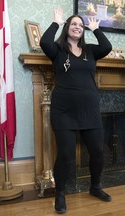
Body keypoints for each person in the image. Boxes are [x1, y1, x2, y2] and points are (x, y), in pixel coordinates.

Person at [40, 8, 112, 214]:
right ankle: (60, 193)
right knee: (65, 155)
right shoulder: (57, 50)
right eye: (73, 24)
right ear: (67, 28)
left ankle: (95, 186)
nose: (77, 27)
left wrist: (96, 29)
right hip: (63, 112)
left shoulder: (90, 51)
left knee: (98, 152)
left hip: (90, 110)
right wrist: (56, 22)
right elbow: (44, 42)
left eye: (80, 25)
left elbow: (107, 46)